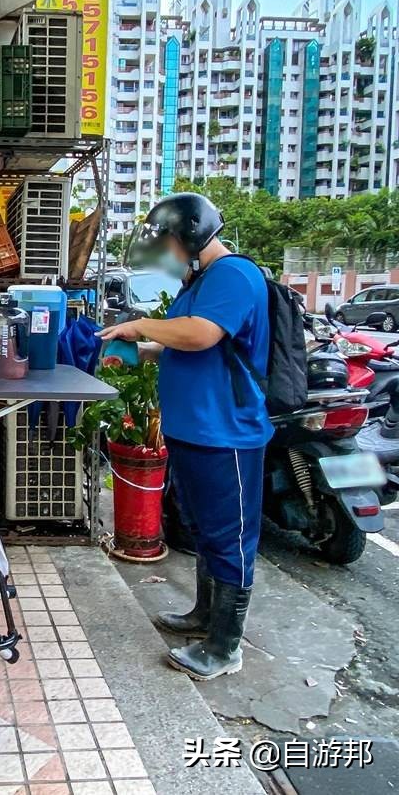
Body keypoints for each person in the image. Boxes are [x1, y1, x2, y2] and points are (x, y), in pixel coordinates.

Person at [98, 193, 271, 681]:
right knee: (201, 529)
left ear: (191, 235)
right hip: (193, 431)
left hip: (227, 434)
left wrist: (138, 323)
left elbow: (200, 336)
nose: (169, 253)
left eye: (171, 242)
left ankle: (224, 646)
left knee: (229, 536)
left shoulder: (235, 274)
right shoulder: (200, 282)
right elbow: (184, 344)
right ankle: (203, 615)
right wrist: (143, 347)